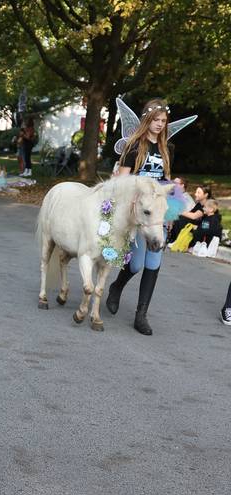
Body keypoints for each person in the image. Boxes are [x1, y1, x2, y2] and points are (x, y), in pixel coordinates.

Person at [105, 98, 175, 335]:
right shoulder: (135, 147)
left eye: (163, 121)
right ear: (147, 120)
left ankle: (141, 315)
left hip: (156, 215)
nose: (159, 124)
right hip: (137, 213)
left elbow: (166, 182)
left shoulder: (167, 149)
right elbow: (122, 181)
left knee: (153, 263)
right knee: (135, 264)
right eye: (155, 120)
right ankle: (116, 287)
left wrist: (170, 213)